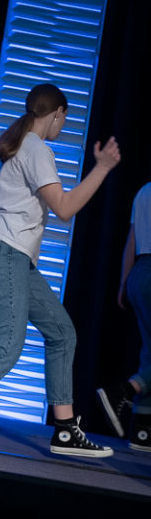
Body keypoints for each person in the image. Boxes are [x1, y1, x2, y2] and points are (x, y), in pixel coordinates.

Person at [0, 83, 121, 457]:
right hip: (7, 251)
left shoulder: (17, 145)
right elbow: (64, 208)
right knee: (6, 349)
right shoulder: (35, 148)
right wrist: (103, 169)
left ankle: (64, 429)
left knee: (62, 333)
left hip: (9, 253)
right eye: (65, 118)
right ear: (58, 113)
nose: (63, 125)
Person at [96, 181, 151, 452]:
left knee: (150, 353)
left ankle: (142, 431)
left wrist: (124, 282)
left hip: (140, 272)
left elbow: (132, 239)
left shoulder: (144, 191)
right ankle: (124, 391)